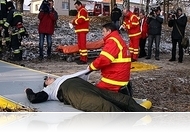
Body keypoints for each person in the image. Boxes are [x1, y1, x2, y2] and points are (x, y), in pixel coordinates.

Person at [25, 69, 150, 112]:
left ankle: (145, 114)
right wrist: (28, 90)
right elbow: (34, 98)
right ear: (46, 84)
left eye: (49, 76)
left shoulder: (64, 77)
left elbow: (86, 72)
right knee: (104, 106)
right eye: (47, 79)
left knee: (120, 99)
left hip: (85, 86)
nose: (50, 77)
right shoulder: (49, 90)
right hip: (73, 92)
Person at [88, 23, 131, 92]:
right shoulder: (117, 39)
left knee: (94, 92)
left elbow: (104, 59)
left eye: (103, 31)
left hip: (114, 80)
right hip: (121, 77)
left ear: (109, 31)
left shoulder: (112, 41)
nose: (102, 34)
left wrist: (91, 67)